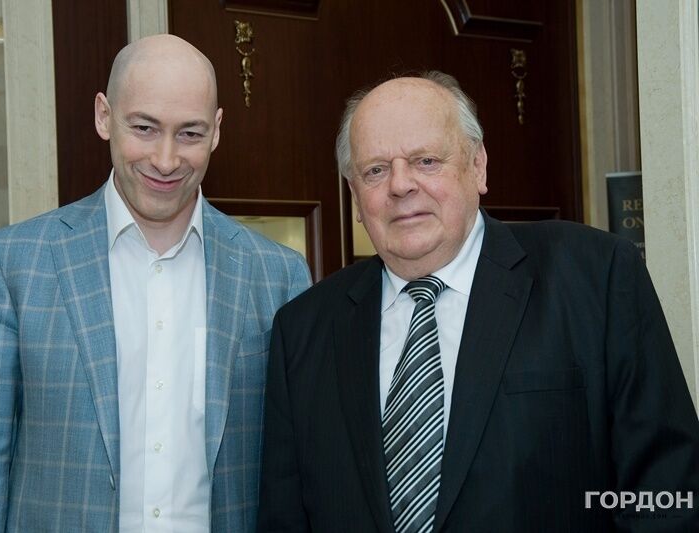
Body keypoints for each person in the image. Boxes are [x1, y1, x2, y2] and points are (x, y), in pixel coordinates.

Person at [257, 71, 699, 532]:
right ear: (354, 195)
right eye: (376, 170)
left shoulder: (594, 276)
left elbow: (667, 491)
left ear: (478, 166)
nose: (400, 185)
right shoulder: (303, 329)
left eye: (426, 161)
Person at [0, 34, 311, 532]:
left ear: (217, 131)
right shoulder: (15, 265)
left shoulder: (279, 275)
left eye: (190, 133)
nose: (166, 159)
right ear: (103, 116)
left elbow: (299, 469)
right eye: (144, 128)